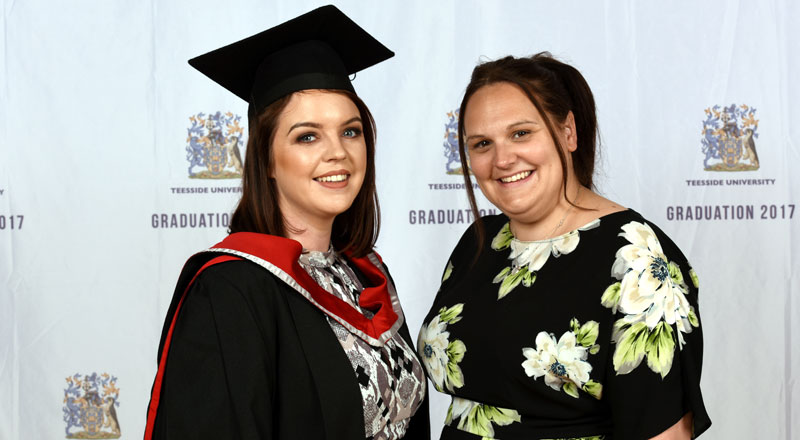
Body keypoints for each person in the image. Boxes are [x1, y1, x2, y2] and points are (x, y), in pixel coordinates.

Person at [144, 6, 428, 440]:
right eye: (307, 136)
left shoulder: (366, 273)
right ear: (267, 161)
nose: (338, 152)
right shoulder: (231, 289)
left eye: (350, 131)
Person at [417, 53, 711, 440]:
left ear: (568, 132)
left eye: (521, 133)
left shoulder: (635, 257)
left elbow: (664, 432)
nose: (503, 159)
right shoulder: (479, 243)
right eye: (482, 143)